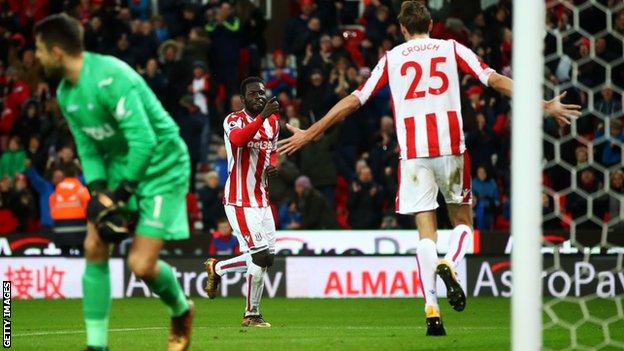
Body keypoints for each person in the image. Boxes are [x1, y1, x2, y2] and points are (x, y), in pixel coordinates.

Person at [278, 1, 581, 336]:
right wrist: (544, 104)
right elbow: (495, 80)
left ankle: (432, 310)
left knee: (426, 233)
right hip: (451, 150)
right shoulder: (452, 48)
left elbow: (354, 100)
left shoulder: (392, 58)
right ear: (432, 24)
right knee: (463, 221)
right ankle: (450, 262)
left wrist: (310, 132)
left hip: (413, 155)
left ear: (403, 29)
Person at [34, 14, 194, 351]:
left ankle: (181, 309)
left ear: (57, 52)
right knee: (94, 245)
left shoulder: (111, 77)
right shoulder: (65, 92)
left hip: (161, 165)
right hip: (120, 165)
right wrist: (97, 192)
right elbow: (88, 146)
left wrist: (120, 193)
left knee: (141, 265)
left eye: (39, 49)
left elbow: (145, 141)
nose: (36, 56)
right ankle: (97, 346)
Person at [203, 77, 280, 328]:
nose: (259, 96)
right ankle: (251, 314)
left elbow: (273, 150)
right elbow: (238, 140)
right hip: (238, 200)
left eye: (262, 93)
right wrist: (262, 117)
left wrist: (273, 166)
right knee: (259, 257)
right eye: (253, 94)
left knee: (267, 258)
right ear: (243, 98)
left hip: (262, 200)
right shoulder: (233, 119)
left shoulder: (273, 123)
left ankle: (218, 268)